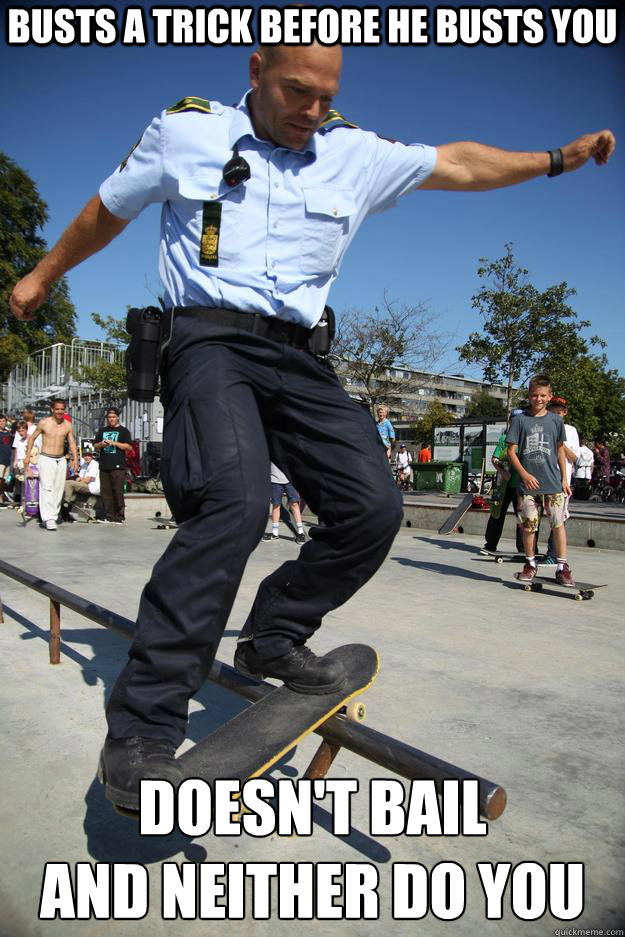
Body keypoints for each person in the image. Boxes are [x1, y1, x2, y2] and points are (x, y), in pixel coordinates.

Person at [9, 40, 614, 804]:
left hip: (300, 357)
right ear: (256, 71)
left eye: (326, 96)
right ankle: (141, 728)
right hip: (207, 342)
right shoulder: (185, 130)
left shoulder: (352, 151)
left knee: (372, 506)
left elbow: (457, 163)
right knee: (233, 504)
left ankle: (274, 634)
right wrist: (41, 275)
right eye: (298, 92)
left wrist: (556, 158)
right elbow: (107, 210)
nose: (313, 112)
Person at [507, 374, 574, 586]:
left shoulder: (556, 420)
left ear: (550, 396)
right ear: (529, 395)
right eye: (535, 395)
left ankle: (562, 567)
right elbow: (511, 452)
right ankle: (530, 563)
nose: (539, 399)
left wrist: (564, 478)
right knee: (529, 526)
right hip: (527, 485)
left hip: (553, 482)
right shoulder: (520, 420)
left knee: (558, 523)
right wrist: (524, 475)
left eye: (543, 395)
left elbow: (560, 450)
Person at [23, 399, 78, 531]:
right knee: (47, 488)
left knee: (58, 489)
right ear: (52, 410)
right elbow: (32, 438)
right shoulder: (44, 422)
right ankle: (48, 518)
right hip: (46, 458)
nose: (59, 411)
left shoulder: (68, 425)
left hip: (61, 459)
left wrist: (75, 458)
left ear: (64, 410)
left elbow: (71, 442)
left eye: (62, 409)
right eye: (57, 409)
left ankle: (53, 514)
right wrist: (27, 456)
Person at [482, 409, 525, 555]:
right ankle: (490, 544)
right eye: (514, 420)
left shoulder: (526, 438)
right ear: (510, 421)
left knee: (523, 516)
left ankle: (524, 548)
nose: (516, 423)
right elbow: (494, 459)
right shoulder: (504, 439)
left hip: (521, 485)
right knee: (497, 513)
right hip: (504, 485)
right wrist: (502, 471)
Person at [543, 396, 580, 564]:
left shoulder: (570, 430)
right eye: (553, 412)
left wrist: (561, 443)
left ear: (565, 413)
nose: (556, 415)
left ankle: (554, 554)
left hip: (561, 480)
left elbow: (574, 458)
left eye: (560, 412)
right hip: (544, 476)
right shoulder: (544, 427)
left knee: (559, 517)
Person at [93, 409, 132, 524]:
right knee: (106, 492)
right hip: (104, 465)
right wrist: (101, 444)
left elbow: (129, 447)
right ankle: (108, 516)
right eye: (109, 417)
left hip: (118, 466)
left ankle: (119, 517)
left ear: (117, 417)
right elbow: (95, 445)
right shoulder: (102, 430)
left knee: (117, 491)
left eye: (113, 417)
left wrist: (114, 443)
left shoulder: (124, 431)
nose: (111, 419)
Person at [263, 462, 306, 544]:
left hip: (289, 480)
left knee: (294, 504)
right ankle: (275, 534)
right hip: (274, 480)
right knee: (276, 506)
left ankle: (301, 533)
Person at [63, 450, 101, 516]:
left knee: (68, 483)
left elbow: (88, 480)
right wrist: (79, 480)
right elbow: (80, 477)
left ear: (92, 456)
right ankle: (66, 505)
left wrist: (78, 481)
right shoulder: (84, 464)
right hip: (86, 485)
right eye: (85, 456)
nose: (86, 457)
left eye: (88, 455)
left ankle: (66, 503)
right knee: (67, 483)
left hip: (92, 487)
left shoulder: (94, 464)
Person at [0, 414, 13, 507]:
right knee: (0, 480)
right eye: (0, 421)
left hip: (7, 460)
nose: (2, 423)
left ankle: (1, 496)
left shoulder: (8, 433)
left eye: (3, 421)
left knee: (5, 480)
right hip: (0, 461)